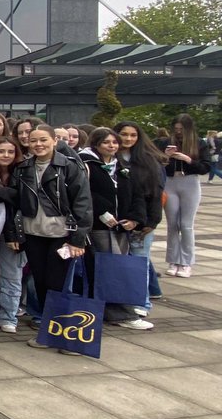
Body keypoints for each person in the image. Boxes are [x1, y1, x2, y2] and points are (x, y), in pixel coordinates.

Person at [0, 124, 93, 349]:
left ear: (54, 141)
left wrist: (78, 238)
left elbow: (83, 202)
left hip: (61, 235)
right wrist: (13, 233)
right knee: (40, 283)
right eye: (33, 141)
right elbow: (15, 205)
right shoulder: (22, 168)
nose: (38, 145)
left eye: (43, 140)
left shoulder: (69, 166)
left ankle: (65, 333)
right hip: (33, 234)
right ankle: (49, 330)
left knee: (57, 284)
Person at [81, 127, 151, 330]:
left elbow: (138, 194)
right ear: (96, 144)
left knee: (120, 269)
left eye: (114, 142)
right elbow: (86, 193)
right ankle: (117, 313)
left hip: (122, 228)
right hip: (99, 227)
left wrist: (135, 219)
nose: (111, 146)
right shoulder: (88, 165)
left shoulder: (123, 167)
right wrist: (102, 212)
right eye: (106, 142)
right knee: (108, 270)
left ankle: (122, 309)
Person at [115, 121, 166, 316]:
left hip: (142, 218)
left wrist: (152, 222)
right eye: (124, 134)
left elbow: (156, 193)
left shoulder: (148, 160)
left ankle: (141, 302)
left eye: (132, 135)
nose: (128, 139)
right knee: (118, 263)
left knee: (139, 262)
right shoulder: (112, 157)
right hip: (117, 218)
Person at [159, 113, 209, 277]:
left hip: (190, 182)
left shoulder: (199, 143)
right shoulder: (165, 142)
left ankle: (186, 262)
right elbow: (156, 163)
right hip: (170, 182)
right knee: (173, 224)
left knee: (186, 224)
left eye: (181, 129)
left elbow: (205, 167)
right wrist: (165, 157)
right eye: (176, 129)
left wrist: (188, 160)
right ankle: (173, 260)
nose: (178, 132)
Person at [0, 137, 23, 333]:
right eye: (1, 151)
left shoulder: (23, 173)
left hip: (15, 235)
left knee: (12, 276)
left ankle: (9, 317)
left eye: (10, 152)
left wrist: (5, 192)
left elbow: (24, 202)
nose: (6, 155)